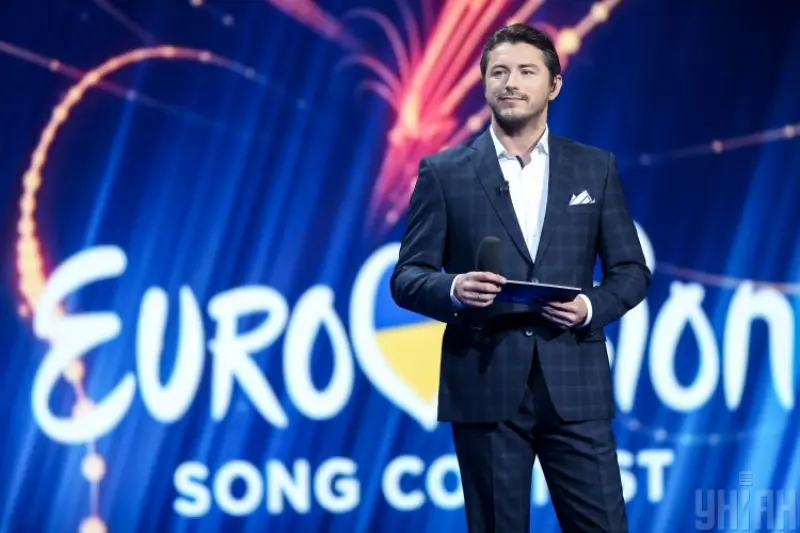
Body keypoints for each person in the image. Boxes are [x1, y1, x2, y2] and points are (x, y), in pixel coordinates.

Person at [390, 22, 650, 533]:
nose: (510, 83)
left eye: (526, 71)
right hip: (484, 380)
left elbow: (631, 271)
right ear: (485, 83)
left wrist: (589, 307)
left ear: (554, 85)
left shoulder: (594, 168)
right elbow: (407, 277)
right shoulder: (444, 172)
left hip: (575, 383)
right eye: (499, 72)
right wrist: (454, 289)